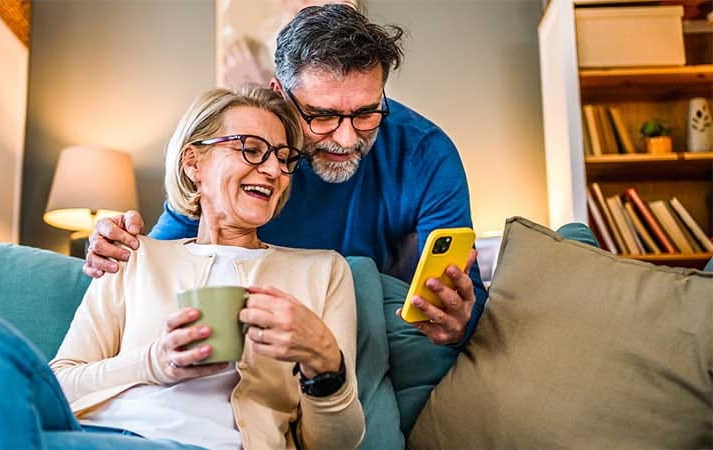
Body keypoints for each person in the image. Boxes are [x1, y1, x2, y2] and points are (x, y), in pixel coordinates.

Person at [0, 86, 364, 450]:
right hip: (78, 434)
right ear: (194, 163)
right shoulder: (133, 255)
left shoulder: (322, 272)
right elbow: (62, 384)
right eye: (251, 149)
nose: (273, 170)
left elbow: (336, 444)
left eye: (284, 158)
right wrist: (154, 363)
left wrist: (324, 361)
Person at [86, 4, 487, 347]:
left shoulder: (425, 152)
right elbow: (160, 261)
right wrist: (117, 253)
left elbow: (467, 301)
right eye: (322, 115)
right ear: (279, 91)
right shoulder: (240, 156)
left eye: (367, 113)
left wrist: (458, 324)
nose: (347, 138)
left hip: (369, 329)